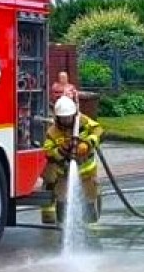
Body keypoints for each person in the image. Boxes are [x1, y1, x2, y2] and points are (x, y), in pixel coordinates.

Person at [41, 95, 104, 225]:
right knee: (62, 198)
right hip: (64, 173)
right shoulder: (53, 131)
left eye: (68, 117)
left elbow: (99, 130)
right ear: (57, 117)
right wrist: (61, 150)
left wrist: (87, 143)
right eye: (63, 118)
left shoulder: (84, 122)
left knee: (89, 198)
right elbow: (48, 151)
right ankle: (62, 224)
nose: (66, 120)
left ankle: (91, 224)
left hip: (87, 171)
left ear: (74, 114)